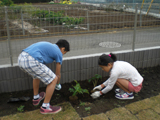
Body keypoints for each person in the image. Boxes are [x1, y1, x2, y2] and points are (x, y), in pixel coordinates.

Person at [18, 39, 70, 114]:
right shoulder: (58, 52)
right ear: (63, 49)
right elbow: (57, 74)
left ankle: (36, 98)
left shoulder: (50, 47)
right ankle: (46, 107)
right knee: (53, 79)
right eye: (64, 53)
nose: (62, 55)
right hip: (31, 61)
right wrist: (57, 84)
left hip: (21, 59)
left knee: (36, 75)